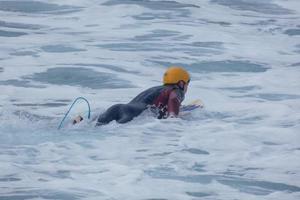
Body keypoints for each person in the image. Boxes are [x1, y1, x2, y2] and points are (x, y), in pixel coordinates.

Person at [73, 66, 190, 125]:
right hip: (130, 114)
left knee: (94, 126)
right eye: (187, 83)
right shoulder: (175, 90)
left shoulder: (155, 89)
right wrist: (174, 118)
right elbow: (174, 99)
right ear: (181, 83)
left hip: (118, 108)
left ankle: (80, 121)